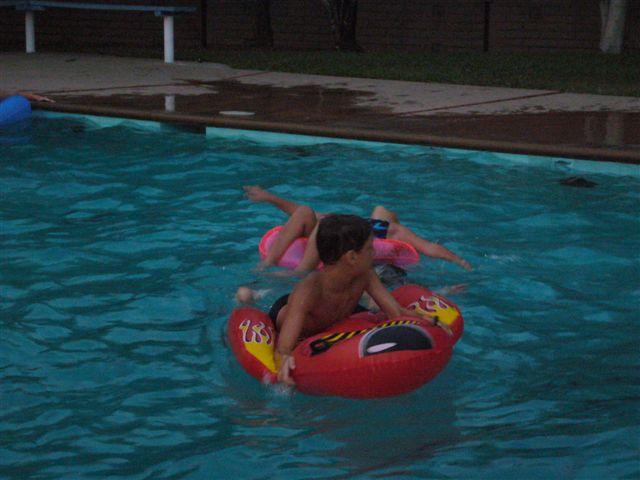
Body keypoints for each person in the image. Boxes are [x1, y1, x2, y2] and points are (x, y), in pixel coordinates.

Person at [238, 214, 439, 385]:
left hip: (340, 314)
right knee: (248, 297)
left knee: (372, 311)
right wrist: (284, 364)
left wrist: (428, 321)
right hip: (297, 319)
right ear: (352, 257)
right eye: (370, 248)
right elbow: (284, 347)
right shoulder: (311, 289)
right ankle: (250, 300)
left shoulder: (365, 274)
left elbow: (396, 313)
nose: (375, 253)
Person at [244, 185, 472, 273]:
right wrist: (459, 261)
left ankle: (291, 269)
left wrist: (270, 198)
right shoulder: (390, 230)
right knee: (306, 212)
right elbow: (429, 248)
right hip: (332, 236)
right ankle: (268, 263)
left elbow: (429, 248)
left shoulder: (390, 232)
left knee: (305, 212)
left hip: (330, 243)